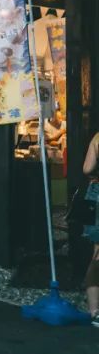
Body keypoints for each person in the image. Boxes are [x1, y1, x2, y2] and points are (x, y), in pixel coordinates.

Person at [82, 131, 99, 328]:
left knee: (96, 253)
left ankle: (94, 311)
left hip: (96, 193)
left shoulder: (97, 138)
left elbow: (87, 168)